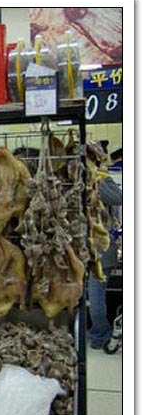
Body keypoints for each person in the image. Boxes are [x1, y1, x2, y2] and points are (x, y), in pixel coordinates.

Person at [87, 142, 123, 350]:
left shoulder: (93, 179)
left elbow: (118, 199)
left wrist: (102, 176)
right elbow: (119, 197)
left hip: (98, 248)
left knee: (95, 295)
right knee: (95, 295)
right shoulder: (94, 179)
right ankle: (99, 334)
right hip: (96, 249)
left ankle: (99, 334)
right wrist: (104, 176)